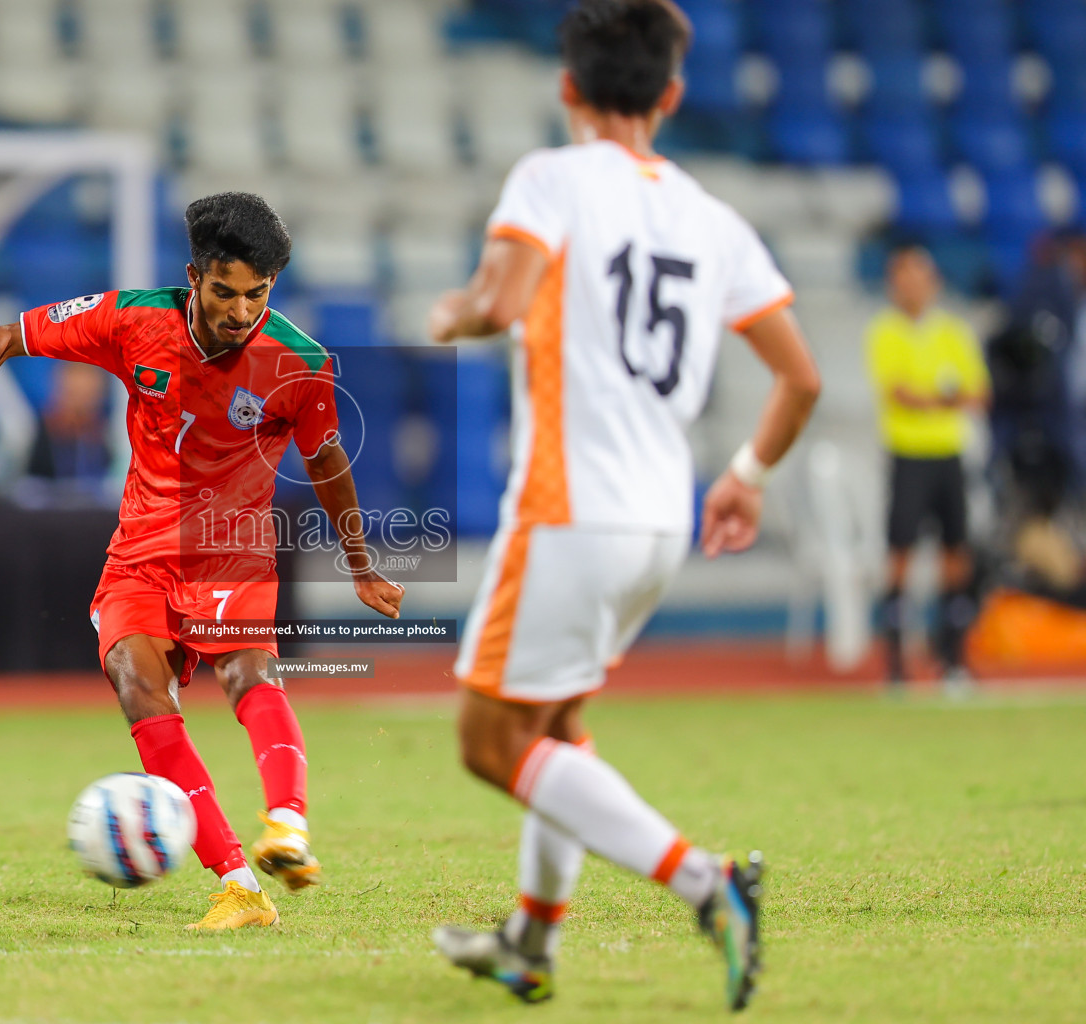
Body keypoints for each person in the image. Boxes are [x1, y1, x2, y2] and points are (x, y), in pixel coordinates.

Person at [424, 0, 820, 1011]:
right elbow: (801, 379)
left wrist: (455, 310)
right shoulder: (712, 216)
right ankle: (530, 941)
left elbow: (501, 304)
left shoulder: (552, 179)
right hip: (661, 518)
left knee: (490, 742)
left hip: (569, 507)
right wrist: (747, 475)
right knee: (554, 723)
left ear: (567, 88)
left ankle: (706, 879)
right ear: (672, 95)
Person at [0, 193, 405, 930]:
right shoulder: (133, 320)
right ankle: (239, 886)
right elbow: (1, 337)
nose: (241, 310)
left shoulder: (300, 363)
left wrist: (360, 562)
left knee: (247, 672)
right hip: (141, 550)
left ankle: (287, 826)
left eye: (258, 294)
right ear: (195, 277)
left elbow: (326, 460)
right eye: (225, 292)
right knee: (134, 681)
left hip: (234, 546)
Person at [866, 245, 990, 689]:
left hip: (947, 455)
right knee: (900, 554)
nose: (912, 285)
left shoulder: (953, 332)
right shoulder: (886, 332)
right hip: (908, 454)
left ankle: (952, 659)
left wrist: (937, 400)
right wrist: (946, 399)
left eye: (919, 276)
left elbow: (978, 394)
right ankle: (896, 665)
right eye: (904, 277)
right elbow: (901, 394)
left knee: (955, 556)